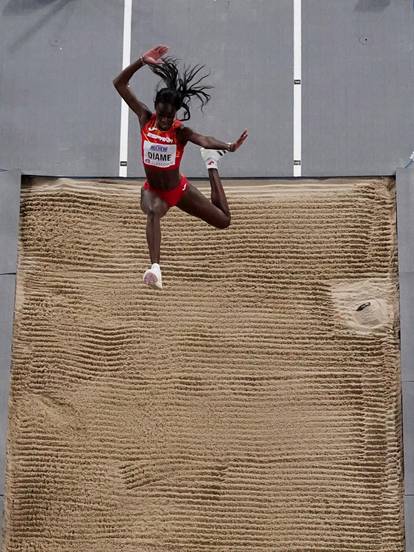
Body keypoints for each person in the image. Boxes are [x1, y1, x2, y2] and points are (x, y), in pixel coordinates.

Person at [113, 44, 248, 289]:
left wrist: (228, 146)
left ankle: (211, 163)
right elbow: (119, 84)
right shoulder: (145, 118)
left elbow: (204, 140)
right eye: (161, 114)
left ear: (176, 113)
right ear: (156, 108)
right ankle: (155, 267)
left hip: (179, 189)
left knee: (224, 221)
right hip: (154, 191)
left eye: (169, 116)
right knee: (153, 211)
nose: (164, 120)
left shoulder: (181, 132)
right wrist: (141, 61)